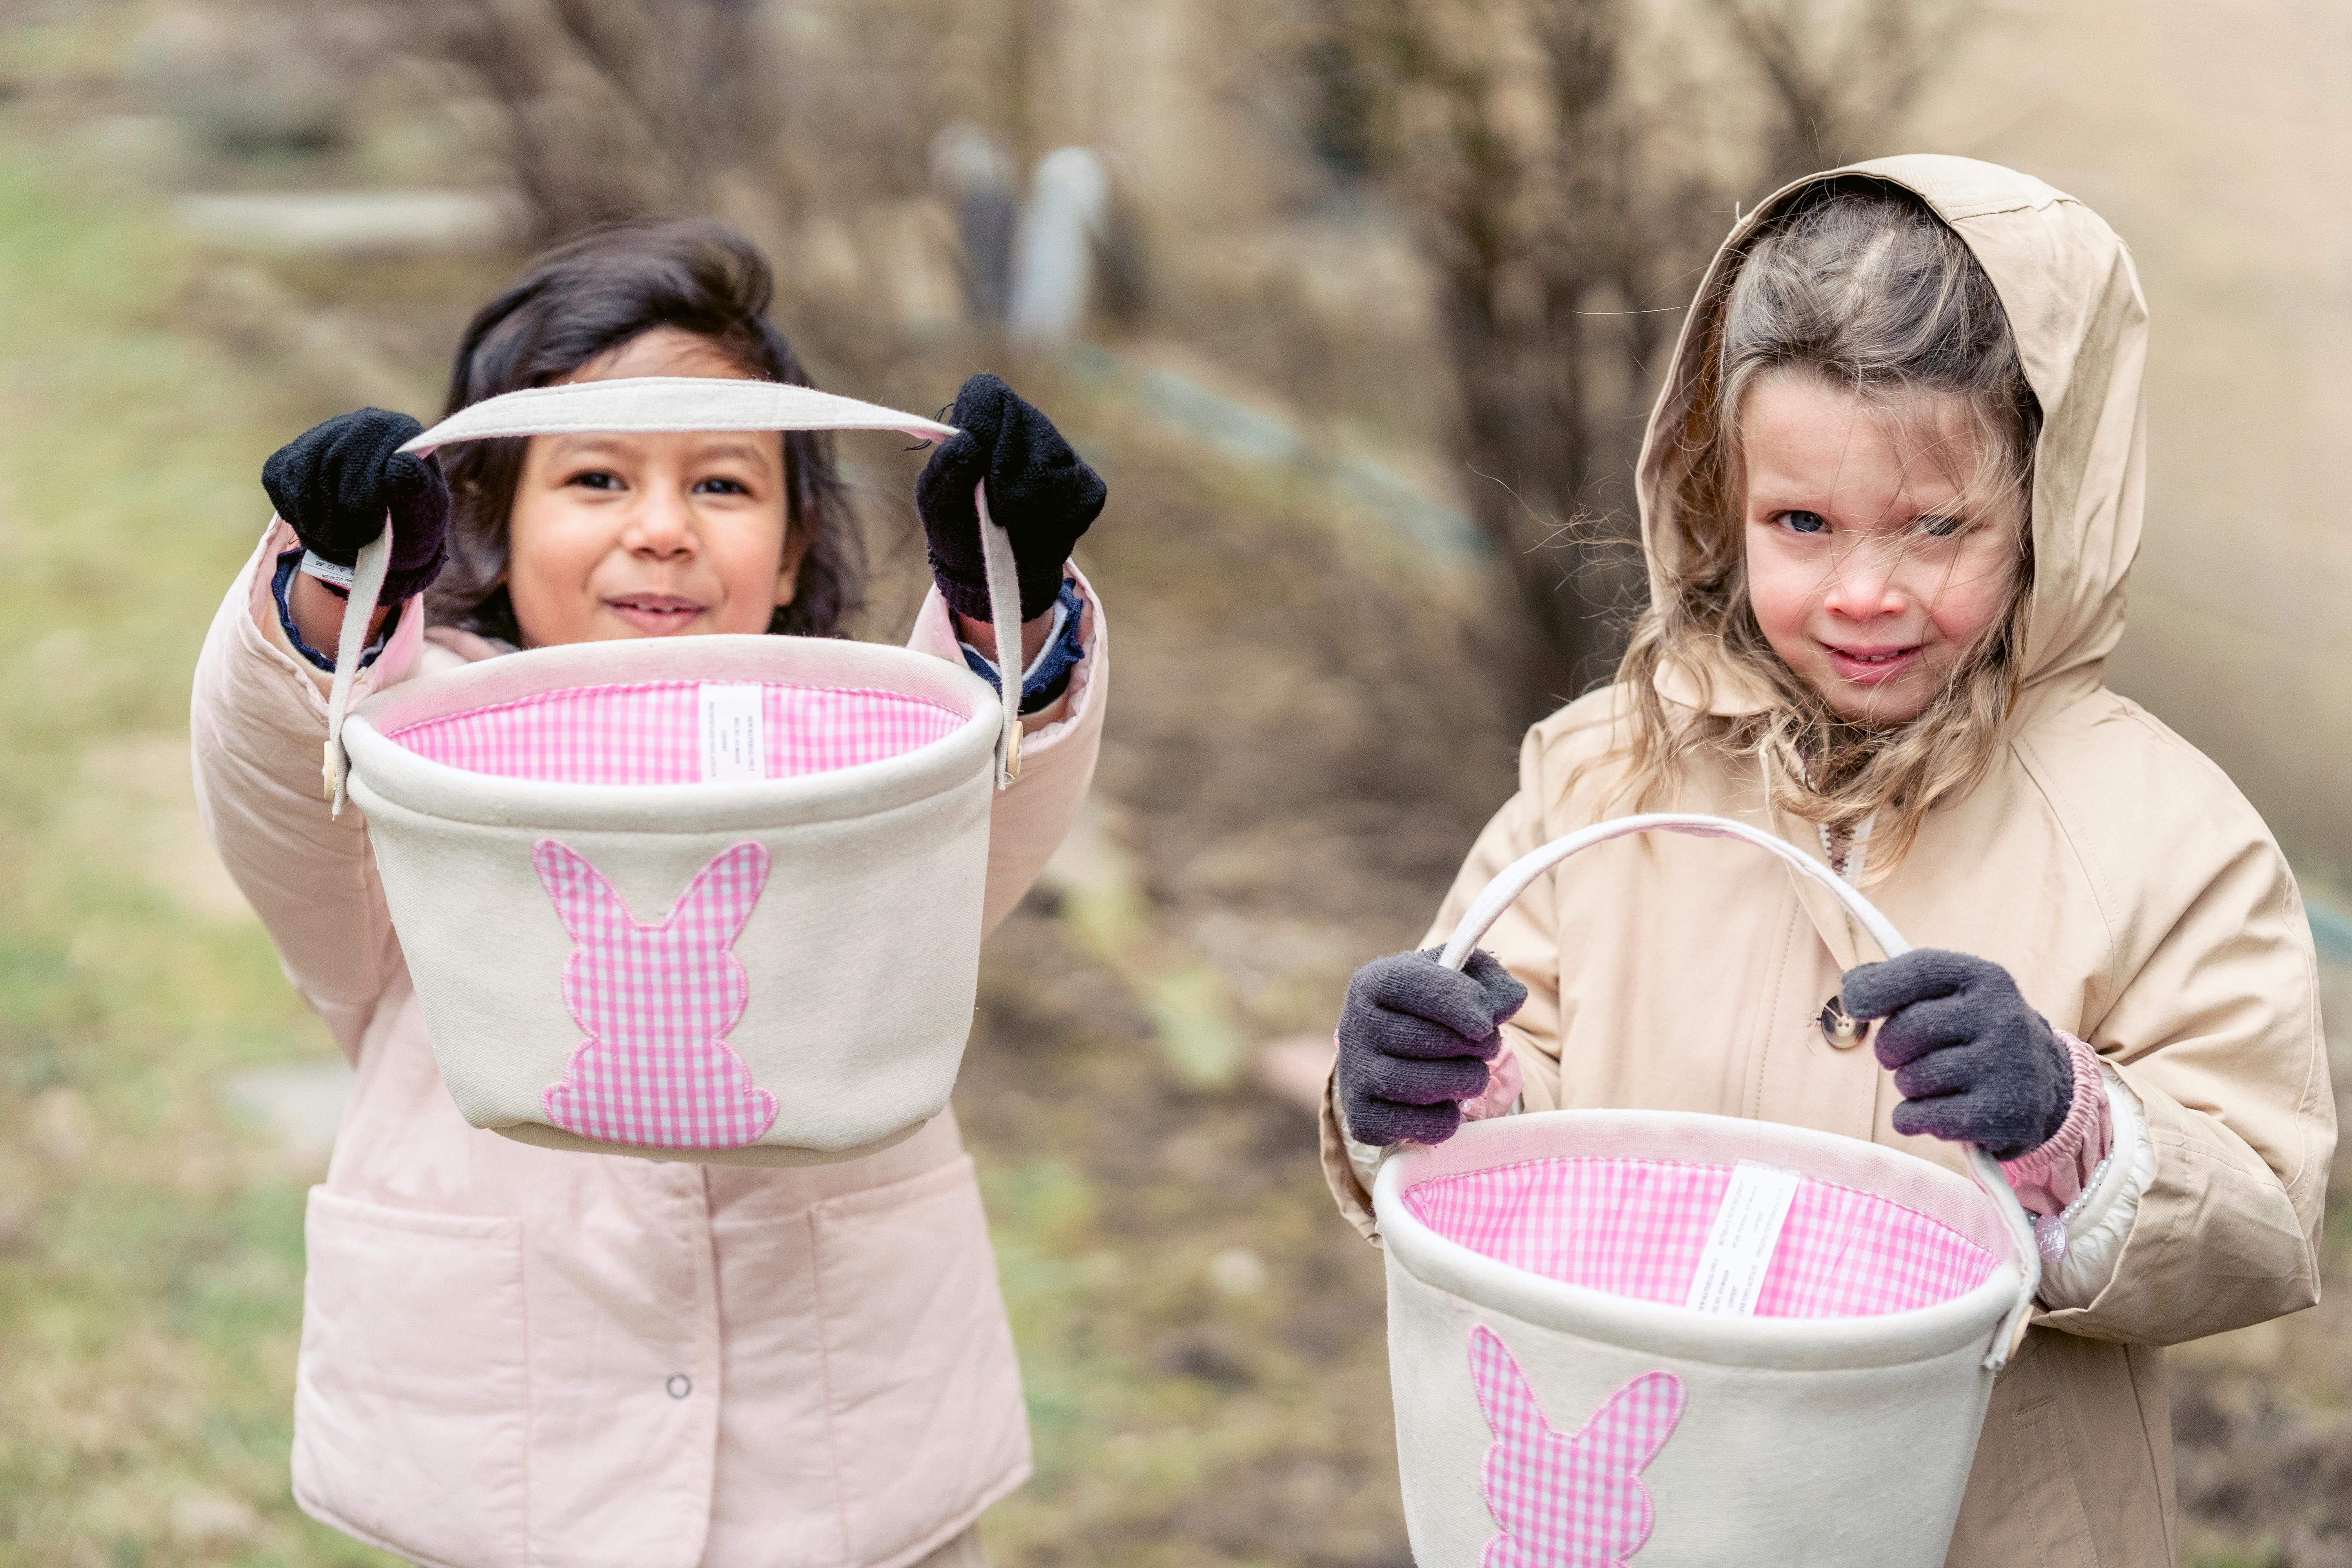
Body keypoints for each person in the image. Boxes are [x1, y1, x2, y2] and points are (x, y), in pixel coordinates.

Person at [1324, 156, 2333, 1564]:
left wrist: (2070, 1130)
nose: (1866, 593)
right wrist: (1434, 1089)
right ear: (1716, 492)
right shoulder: (1606, 774)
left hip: (1992, 1527)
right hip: (1640, 1516)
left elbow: (2265, 1217)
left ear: (2051, 506)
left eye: (1938, 526)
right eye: (1801, 523)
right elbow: (1517, 1116)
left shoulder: (2166, 834)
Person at [191, 220, 1109, 1568]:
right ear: (485, 525)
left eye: (727, 486)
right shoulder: (403, 749)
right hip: (508, 1454)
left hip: (840, 1456)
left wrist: (1004, 613)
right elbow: (277, 790)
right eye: (599, 476)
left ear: (795, 552)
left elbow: (990, 804)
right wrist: (328, 606)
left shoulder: (861, 749)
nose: (664, 530)